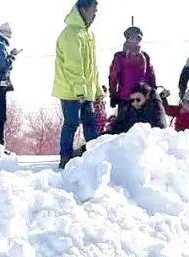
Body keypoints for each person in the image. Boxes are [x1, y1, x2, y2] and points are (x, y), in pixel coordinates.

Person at [54, 0, 101, 169]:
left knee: (91, 123)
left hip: (85, 90)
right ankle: (65, 157)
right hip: (70, 90)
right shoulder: (71, 34)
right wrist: (81, 91)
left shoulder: (88, 33)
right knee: (72, 122)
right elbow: (73, 66)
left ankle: (95, 154)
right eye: (93, 10)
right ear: (82, 9)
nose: (95, 14)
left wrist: (97, 89)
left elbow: (92, 66)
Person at [109, 26, 156, 109]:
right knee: (124, 121)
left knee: (143, 122)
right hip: (125, 99)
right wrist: (113, 96)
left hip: (143, 99)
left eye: (137, 38)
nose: (134, 41)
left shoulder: (145, 56)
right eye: (131, 38)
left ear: (140, 40)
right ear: (127, 39)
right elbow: (113, 78)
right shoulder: (120, 57)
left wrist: (153, 92)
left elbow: (151, 76)